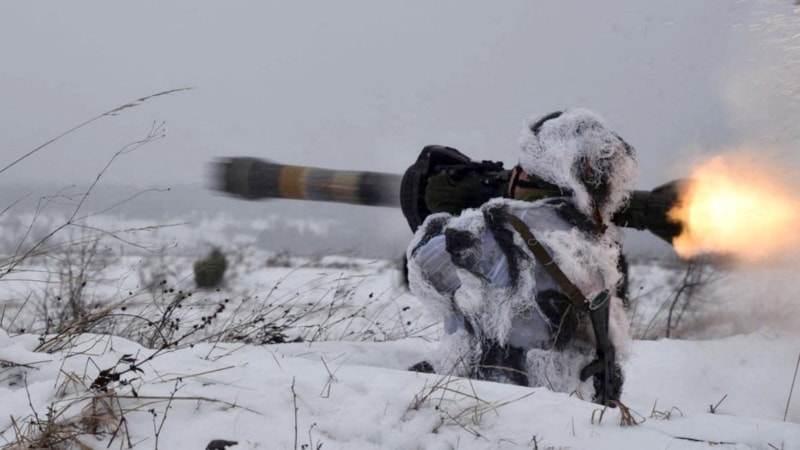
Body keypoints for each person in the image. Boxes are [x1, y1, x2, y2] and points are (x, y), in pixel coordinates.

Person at [404, 108, 635, 405]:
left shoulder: (495, 228)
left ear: (532, 171)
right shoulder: (595, 239)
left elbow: (425, 268)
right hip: (573, 405)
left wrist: (445, 219)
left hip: (499, 402)